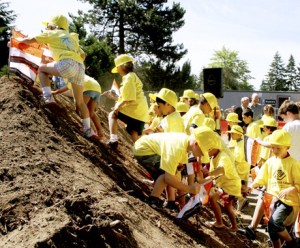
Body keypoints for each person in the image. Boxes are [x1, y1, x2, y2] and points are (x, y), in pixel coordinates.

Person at [15, 14, 95, 138]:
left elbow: (29, 40)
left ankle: (48, 97)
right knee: (80, 101)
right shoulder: (71, 37)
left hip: (68, 63)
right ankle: (88, 130)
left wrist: (16, 42)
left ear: (54, 25)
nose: (47, 27)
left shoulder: (51, 33)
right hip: (80, 68)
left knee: (42, 69)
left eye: (48, 25)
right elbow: (83, 55)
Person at [133, 126, 219, 208]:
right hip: (143, 150)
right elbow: (168, 178)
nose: (200, 156)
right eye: (201, 153)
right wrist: (188, 189)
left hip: (149, 149)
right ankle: (153, 199)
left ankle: (171, 201)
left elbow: (176, 172)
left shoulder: (185, 144)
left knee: (174, 170)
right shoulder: (177, 148)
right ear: (196, 144)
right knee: (166, 173)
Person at [250, 129, 300, 248]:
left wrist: (291, 189)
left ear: (287, 147)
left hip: (288, 201)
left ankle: (292, 243)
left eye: (278, 148)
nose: (274, 151)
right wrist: (252, 186)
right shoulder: (270, 162)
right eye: (273, 147)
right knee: (271, 228)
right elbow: (261, 178)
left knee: (274, 223)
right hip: (272, 199)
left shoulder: (294, 164)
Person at [105, 54, 149, 148]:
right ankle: (141, 153)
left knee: (112, 115)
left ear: (121, 66)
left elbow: (130, 98)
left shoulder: (129, 77)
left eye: (117, 68)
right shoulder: (132, 76)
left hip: (134, 110)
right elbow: (129, 96)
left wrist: (118, 106)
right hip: (141, 113)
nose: (117, 71)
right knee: (133, 132)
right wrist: (115, 98)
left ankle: (113, 140)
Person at [207, 136, 242, 233]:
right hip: (227, 185)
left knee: (213, 198)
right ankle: (234, 226)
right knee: (228, 206)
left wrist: (209, 173)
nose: (207, 151)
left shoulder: (223, 156)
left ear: (216, 147)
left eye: (209, 149)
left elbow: (221, 170)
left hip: (231, 186)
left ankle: (219, 222)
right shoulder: (214, 157)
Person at [52, 74, 104, 139]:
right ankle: (100, 132)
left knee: (81, 109)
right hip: (97, 88)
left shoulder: (71, 77)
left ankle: (90, 130)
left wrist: (55, 92)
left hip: (89, 87)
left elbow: (68, 87)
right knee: (91, 112)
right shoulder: (78, 73)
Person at [226, 125, 250, 212]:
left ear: (239, 134)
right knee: (239, 186)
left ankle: (240, 200)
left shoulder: (241, 143)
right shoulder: (240, 141)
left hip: (241, 168)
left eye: (233, 133)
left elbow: (238, 158)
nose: (231, 135)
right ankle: (240, 201)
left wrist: (229, 157)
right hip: (242, 167)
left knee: (235, 185)